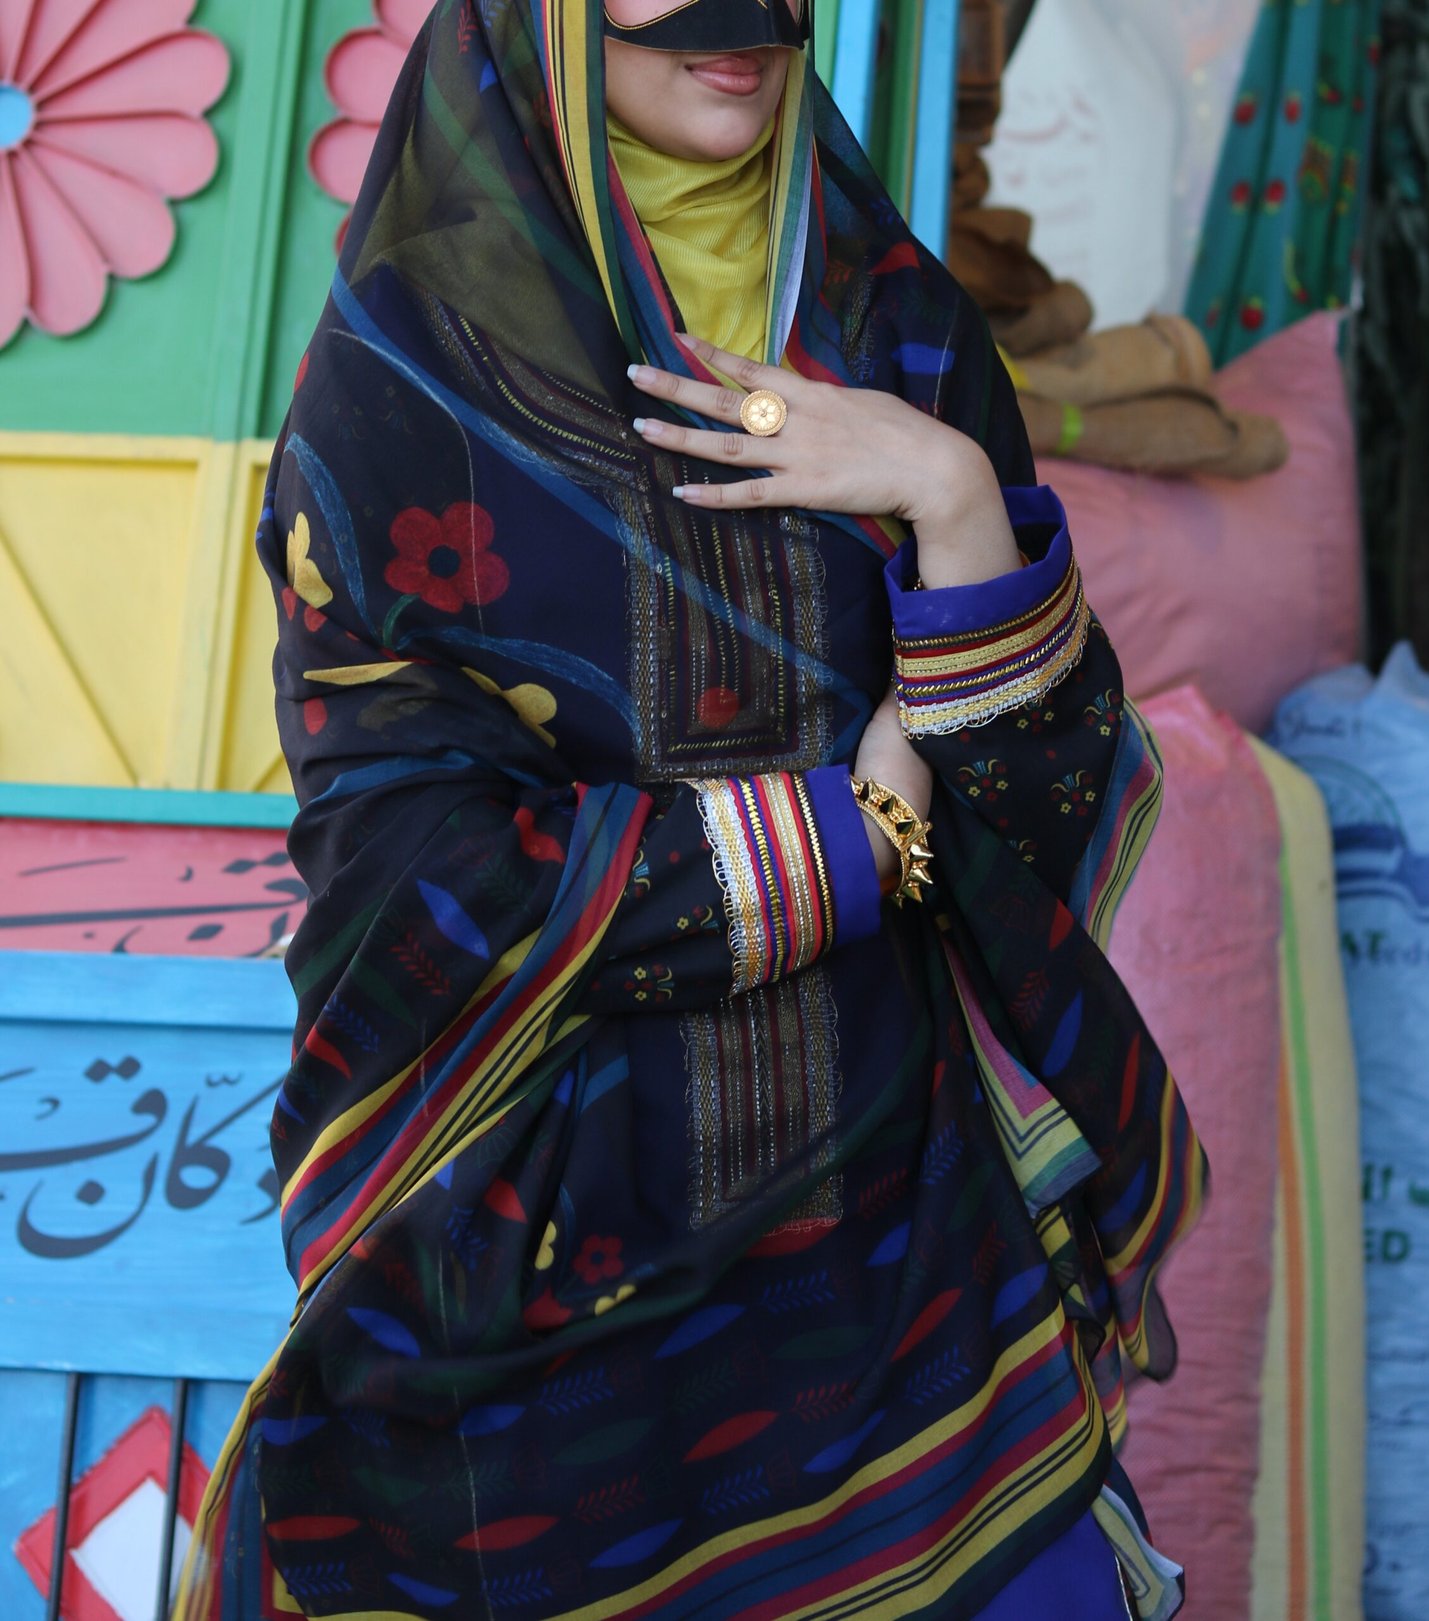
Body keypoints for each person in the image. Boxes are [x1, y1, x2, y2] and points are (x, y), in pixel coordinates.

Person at [175, 2, 1205, 1615]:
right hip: (545, 1288)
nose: (745, 22)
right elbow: (417, 879)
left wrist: (947, 496)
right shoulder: (413, 378)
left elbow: (1051, 799)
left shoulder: (899, 323)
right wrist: (852, 835)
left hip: (913, 1255)